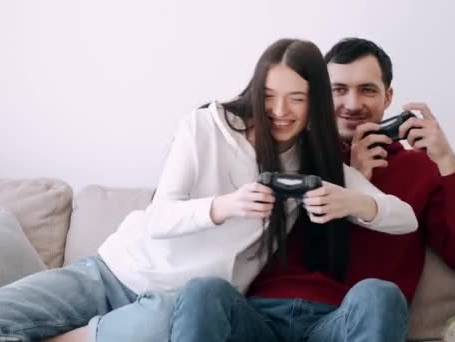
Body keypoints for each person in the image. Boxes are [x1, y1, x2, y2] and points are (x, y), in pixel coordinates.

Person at [0, 38, 417, 342]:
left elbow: (404, 217)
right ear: (255, 90)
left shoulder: (314, 162)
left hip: (180, 307)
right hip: (113, 271)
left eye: (297, 98)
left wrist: (352, 200)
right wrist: (223, 207)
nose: (280, 110)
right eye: (270, 95)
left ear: (313, 101)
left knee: (168, 322)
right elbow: (159, 217)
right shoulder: (205, 127)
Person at [169, 38, 455, 342]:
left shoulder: (421, 168)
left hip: (346, 320)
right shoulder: (287, 150)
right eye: (339, 90)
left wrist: (447, 163)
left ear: (388, 97)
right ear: (318, 97)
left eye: (367, 90)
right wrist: (348, 174)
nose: (353, 104)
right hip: (258, 317)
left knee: (381, 294)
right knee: (203, 291)